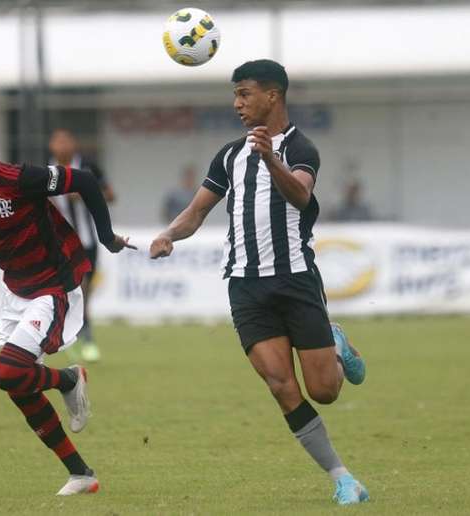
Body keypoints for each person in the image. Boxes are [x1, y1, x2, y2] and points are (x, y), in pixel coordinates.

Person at [149, 60, 369, 506]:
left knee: (324, 391)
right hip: (246, 287)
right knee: (280, 386)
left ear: (273, 95)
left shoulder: (302, 148)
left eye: (244, 93)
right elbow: (195, 213)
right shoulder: (229, 155)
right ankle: (343, 478)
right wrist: (169, 234)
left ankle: (333, 341)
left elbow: (301, 194)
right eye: (235, 94)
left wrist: (270, 157)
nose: (237, 103)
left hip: (294, 281)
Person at [0, 112, 134, 496]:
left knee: (7, 373)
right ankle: (80, 473)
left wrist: (104, 236)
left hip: (55, 286)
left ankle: (69, 379)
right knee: (19, 384)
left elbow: (84, 180)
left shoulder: (19, 178)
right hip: (19, 292)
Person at [48, 128, 115, 363]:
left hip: (86, 240)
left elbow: (111, 196)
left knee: (83, 292)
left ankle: (80, 337)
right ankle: (80, 339)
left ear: (73, 144)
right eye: (58, 140)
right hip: (57, 243)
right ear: (51, 145)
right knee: (70, 291)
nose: (63, 144)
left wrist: (87, 193)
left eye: (67, 139)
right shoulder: (45, 172)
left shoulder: (88, 167)